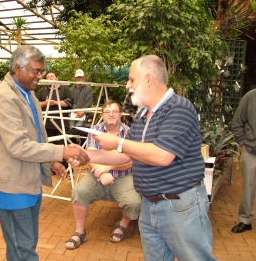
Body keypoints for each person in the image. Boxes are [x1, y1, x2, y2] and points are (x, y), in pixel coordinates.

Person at [76, 55, 217, 261]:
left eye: (132, 79)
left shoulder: (179, 108)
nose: (127, 85)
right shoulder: (143, 116)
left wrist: (118, 142)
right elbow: (126, 156)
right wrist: (84, 155)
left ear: (149, 79)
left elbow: (162, 156)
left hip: (179, 206)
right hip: (150, 206)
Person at [0, 45, 89, 261]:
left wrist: (50, 161)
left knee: (23, 247)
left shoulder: (29, 95)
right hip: (11, 188)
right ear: (17, 68)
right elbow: (18, 146)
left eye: (41, 71)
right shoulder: (6, 97)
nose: (40, 76)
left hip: (28, 182)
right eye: (36, 71)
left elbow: (35, 137)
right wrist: (62, 151)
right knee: (23, 252)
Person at [65, 100, 141, 250]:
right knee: (79, 191)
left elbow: (132, 161)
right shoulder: (95, 130)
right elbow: (90, 156)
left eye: (115, 111)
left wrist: (108, 167)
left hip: (123, 175)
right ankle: (80, 232)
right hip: (97, 174)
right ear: (102, 115)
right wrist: (101, 173)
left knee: (134, 203)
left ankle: (123, 225)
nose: (111, 114)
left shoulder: (129, 133)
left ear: (120, 114)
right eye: (107, 112)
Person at [231, 88, 256, 233]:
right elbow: (237, 122)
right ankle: (245, 220)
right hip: (251, 151)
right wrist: (242, 142)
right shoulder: (250, 96)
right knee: (248, 187)